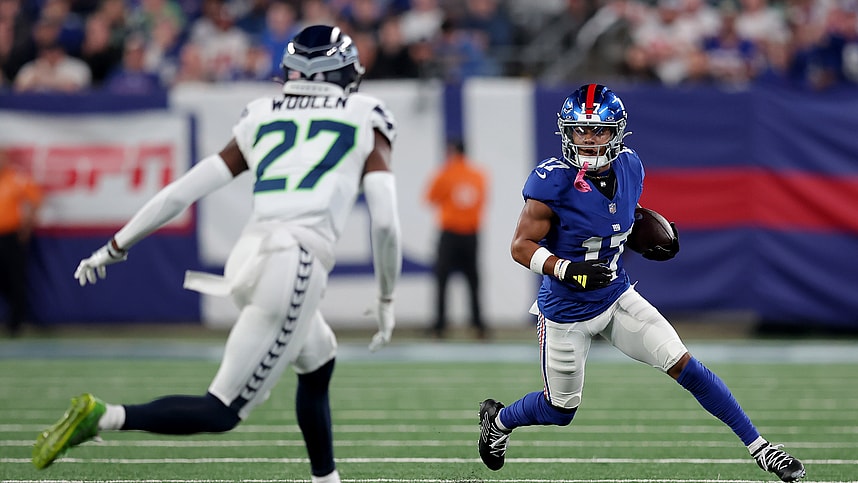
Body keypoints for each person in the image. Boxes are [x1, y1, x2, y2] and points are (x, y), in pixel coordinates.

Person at [32, 25, 403, 483]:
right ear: (345, 71)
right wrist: (387, 298)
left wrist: (115, 245)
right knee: (221, 411)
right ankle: (104, 416)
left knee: (318, 358)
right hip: (296, 263)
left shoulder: (264, 112)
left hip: (251, 257)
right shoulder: (366, 113)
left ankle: (326, 478)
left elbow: (179, 193)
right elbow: (385, 220)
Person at [477, 84, 806, 483]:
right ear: (566, 131)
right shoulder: (551, 182)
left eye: (598, 131)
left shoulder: (631, 166)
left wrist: (643, 235)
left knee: (685, 365)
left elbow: (618, 218)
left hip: (615, 298)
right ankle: (499, 421)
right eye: (580, 130)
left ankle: (762, 449)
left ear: (617, 133)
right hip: (565, 312)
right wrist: (568, 270)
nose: (588, 139)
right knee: (560, 411)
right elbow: (520, 247)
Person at [424, 139, 489, 339]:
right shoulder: (478, 175)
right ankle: (478, 325)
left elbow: (430, 198)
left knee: (442, 279)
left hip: (450, 232)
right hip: (471, 233)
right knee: (473, 280)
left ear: (452, 151)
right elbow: (481, 200)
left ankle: (439, 326)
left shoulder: (445, 173)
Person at [0, 148, 43, 337]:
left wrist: (27, 226)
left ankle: (16, 324)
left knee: (16, 279)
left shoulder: (16, 178)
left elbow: (35, 199)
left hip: (11, 236)